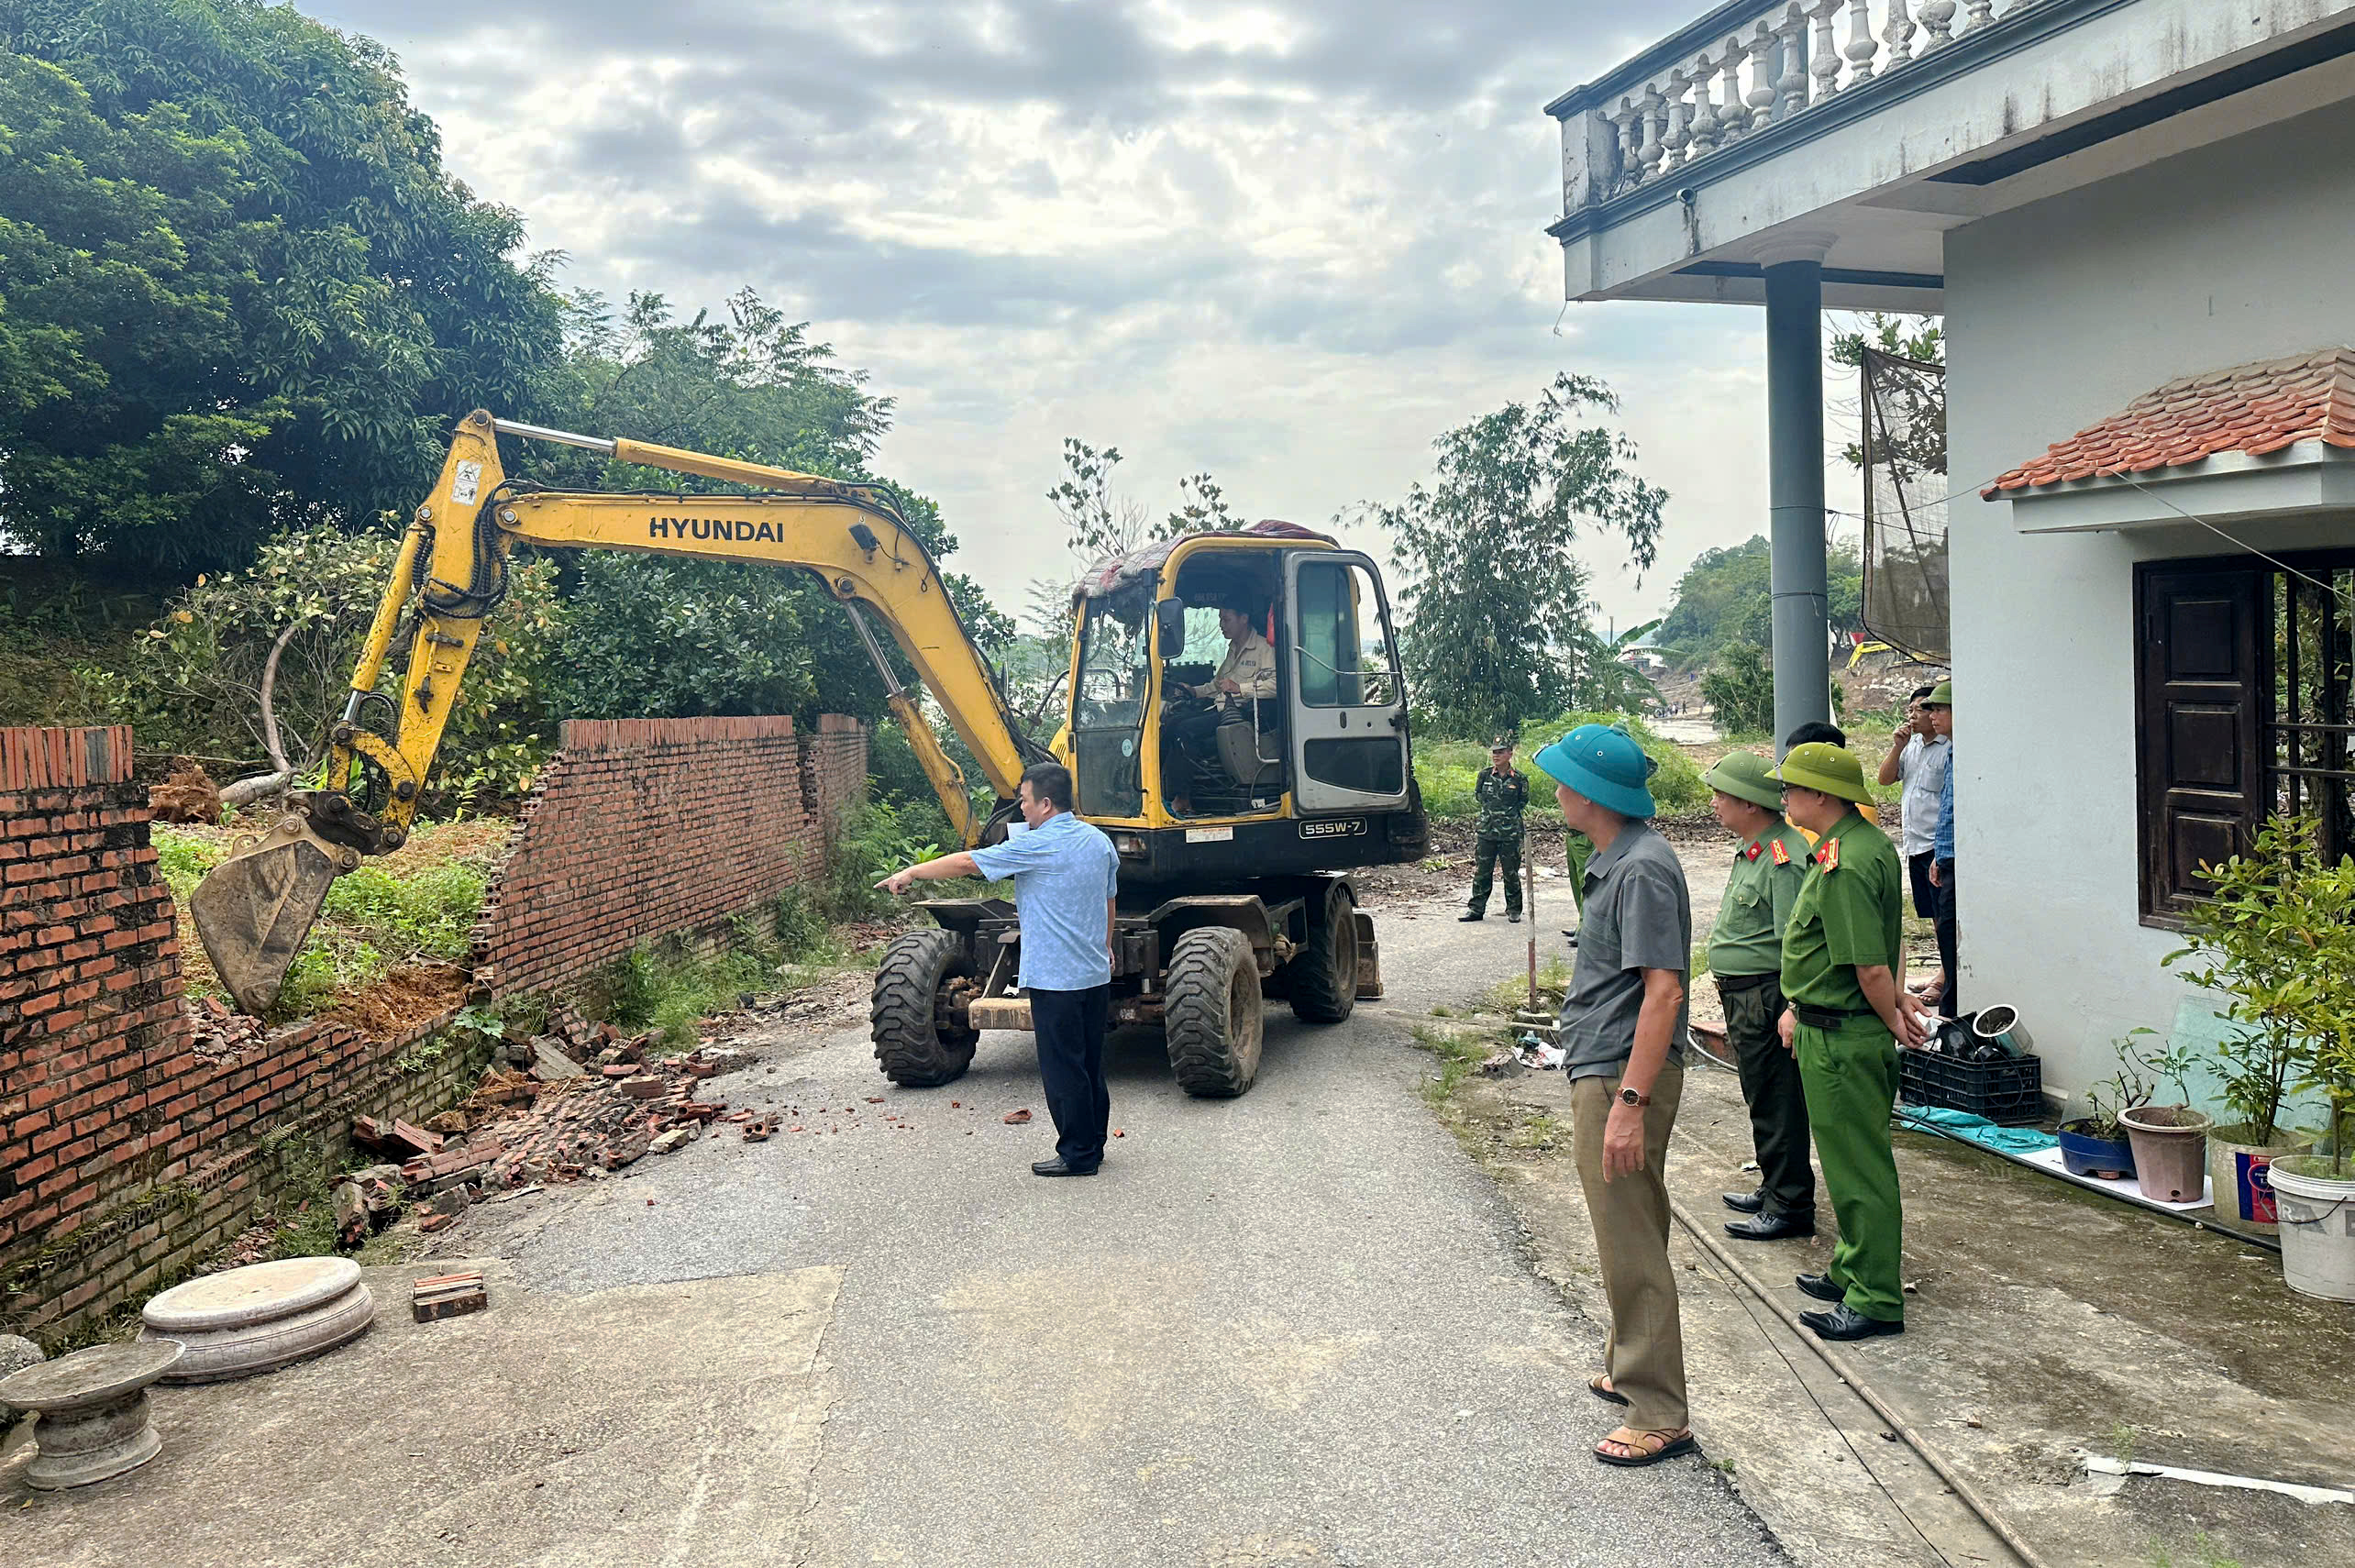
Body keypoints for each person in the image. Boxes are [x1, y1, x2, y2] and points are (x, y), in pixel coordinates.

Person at [1534, 723, 1697, 1469]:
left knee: (1628, 1234)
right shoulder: (1620, 858)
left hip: (1619, 1073)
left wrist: (1629, 1102)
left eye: (1566, 781)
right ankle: (1632, 1357)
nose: (1558, 791)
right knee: (1629, 1224)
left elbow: (1662, 991)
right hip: (1605, 1064)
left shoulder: (1640, 871)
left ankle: (1658, 1407)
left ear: (1594, 793)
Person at [878, 763, 1120, 1177]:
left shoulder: (1039, 845)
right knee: (1088, 1062)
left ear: (1045, 804)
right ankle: (1092, 1143)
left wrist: (912, 871)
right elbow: (1109, 899)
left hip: (1055, 979)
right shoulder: (1099, 842)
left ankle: (1079, 1155)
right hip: (1093, 975)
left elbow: (969, 864)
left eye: (1024, 801)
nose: (1021, 810)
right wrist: (1106, 945)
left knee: (1063, 1068)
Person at [1768, 742, 1933, 1342]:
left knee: (1859, 1172)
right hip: (1834, 1025)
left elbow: (1866, 965)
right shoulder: (1858, 847)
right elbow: (1885, 943)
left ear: (1820, 795)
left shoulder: (1845, 859)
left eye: (1790, 788)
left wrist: (1893, 1015)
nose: (1783, 798)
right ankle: (1852, 1268)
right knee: (1847, 1166)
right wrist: (1898, 997)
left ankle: (1877, 1299)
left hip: (1844, 1036)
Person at [1699, 750, 1816, 1242]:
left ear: (1750, 803)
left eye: (1722, 795)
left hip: (1767, 996)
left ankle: (1790, 1204)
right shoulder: (1754, 850)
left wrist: (1792, 1006)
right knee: (1761, 1095)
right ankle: (1774, 1186)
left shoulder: (1783, 857)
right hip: (1744, 995)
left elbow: (1799, 939)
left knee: (1778, 1099)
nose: (1715, 803)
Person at [1160, 603, 1277, 808]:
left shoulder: (1263, 648)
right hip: (1220, 708)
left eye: (1226, 619)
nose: (1221, 625)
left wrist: (1241, 688)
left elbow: (1276, 686)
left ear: (1244, 618)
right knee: (1169, 723)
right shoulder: (1232, 649)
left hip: (1242, 713)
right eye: (1220, 619)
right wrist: (1193, 690)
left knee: (1184, 730)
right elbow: (1216, 685)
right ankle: (1158, 788)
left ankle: (1183, 797)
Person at [1877, 684, 1951, 1003]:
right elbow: (1884, 779)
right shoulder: (1911, 747)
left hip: (1938, 846)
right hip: (1916, 845)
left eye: (1923, 709)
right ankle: (1944, 973)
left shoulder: (1947, 747)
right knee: (1934, 916)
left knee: (1945, 918)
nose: (1916, 715)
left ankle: (1946, 980)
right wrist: (1897, 747)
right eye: (1915, 710)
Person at [1461, 736, 1529, 923]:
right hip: (1486, 832)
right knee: (1482, 871)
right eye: (1494, 752)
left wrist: (1505, 817)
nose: (1496, 755)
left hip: (1510, 833)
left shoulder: (1519, 778)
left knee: (1511, 872)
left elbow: (1523, 801)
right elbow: (1479, 797)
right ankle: (1476, 909)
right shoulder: (1484, 775)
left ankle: (1514, 909)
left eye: (1500, 752)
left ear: (1510, 754)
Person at [1922, 680, 1959, 1019]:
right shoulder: (1952, 749)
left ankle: (1952, 1009)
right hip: (1947, 856)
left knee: (1949, 932)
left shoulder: (1967, 751)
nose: (1933, 715)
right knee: (1945, 932)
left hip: (1961, 862)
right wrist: (1940, 853)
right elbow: (1946, 809)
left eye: (1940, 709)